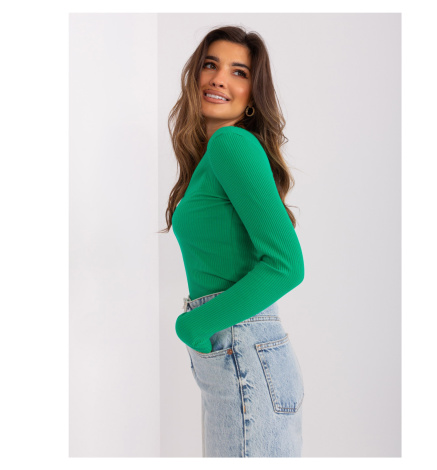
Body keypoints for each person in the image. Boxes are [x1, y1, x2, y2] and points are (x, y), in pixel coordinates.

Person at [159, 25, 305, 458]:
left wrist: (194, 324)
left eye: (239, 72)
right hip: (242, 349)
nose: (219, 79)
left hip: (240, 343)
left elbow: (286, 265)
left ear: (253, 96)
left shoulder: (230, 143)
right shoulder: (212, 156)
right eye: (211, 65)